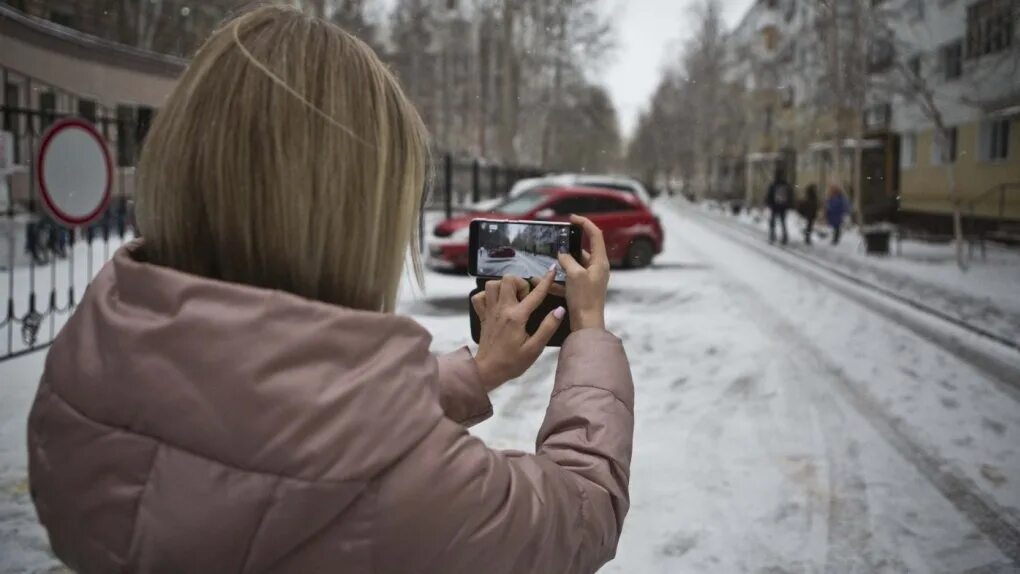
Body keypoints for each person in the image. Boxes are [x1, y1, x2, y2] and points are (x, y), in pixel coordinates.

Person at [26, 6, 634, 574]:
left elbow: (260, 417)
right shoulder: (415, 494)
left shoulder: (81, 388)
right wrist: (589, 333)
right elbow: (586, 509)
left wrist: (476, 375)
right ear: (353, 216)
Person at [765, 170, 793, 245]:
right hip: (783, 206)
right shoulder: (786, 184)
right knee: (783, 222)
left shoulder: (774, 184)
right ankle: (784, 237)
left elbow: (769, 195)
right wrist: (788, 204)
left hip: (775, 206)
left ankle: (772, 236)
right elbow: (790, 194)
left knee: (773, 222)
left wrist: (769, 203)